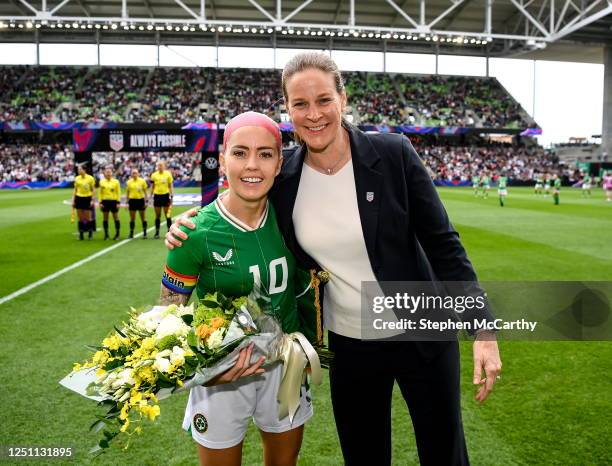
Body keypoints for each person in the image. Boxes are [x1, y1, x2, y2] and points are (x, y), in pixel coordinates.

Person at [166, 52, 502, 466]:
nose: (314, 114)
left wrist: (483, 327)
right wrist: (190, 222)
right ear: (287, 110)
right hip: (351, 345)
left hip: (424, 333)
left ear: (343, 99)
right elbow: (241, 201)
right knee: (363, 456)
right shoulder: (285, 175)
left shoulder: (393, 153)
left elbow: (444, 245)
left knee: (444, 452)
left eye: (324, 100)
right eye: (300, 104)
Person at [159, 112, 315, 466]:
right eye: (240, 153)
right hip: (222, 375)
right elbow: (167, 318)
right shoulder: (192, 234)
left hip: (285, 365)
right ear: (223, 157)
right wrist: (203, 370)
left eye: (265, 154)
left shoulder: (294, 217)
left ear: (279, 163)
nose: (252, 165)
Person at [150, 160, 174, 239]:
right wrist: (150, 195)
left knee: (167, 215)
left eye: (161, 165)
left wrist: (172, 194)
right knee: (157, 215)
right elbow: (152, 186)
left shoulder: (168, 174)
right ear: (157, 166)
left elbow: (170, 185)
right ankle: (157, 233)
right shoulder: (154, 175)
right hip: (157, 196)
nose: (160, 167)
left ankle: (170, 232)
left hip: (165, 196)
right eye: (159, 165)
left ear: (164, 166)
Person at [72, 164, 96, 240]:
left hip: (87, 198)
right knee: (80, 217)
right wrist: (73, 199)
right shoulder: (77, 178)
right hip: (79, 198)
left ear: (84, 170)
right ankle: (81, 234)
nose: (79, 171)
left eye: (80, 169)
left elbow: (93, 190)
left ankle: (90, 234)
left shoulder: (90, 178)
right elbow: (75, 190)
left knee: (88, 217)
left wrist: (92, 199)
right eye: (78, 169)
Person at [99, 165, 121, 240]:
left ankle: (117, 234)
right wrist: (100, 202)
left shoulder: (116, 182)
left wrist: (118, 202)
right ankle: (106, 235)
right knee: (105, 218)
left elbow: (118, 192)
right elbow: (100, 193)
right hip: (105, 202)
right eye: (107, 172)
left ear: (112, 173)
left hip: (114, 201)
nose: (108, 173)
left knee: (116, 217)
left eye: (109, 172)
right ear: (104, 173)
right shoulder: (102, 182)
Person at [126, 168, 149, 239]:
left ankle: (145, 233)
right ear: (131, 174)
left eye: (136, 173)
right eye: (133, 173)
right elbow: (128, 192)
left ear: (138, 174)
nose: (134, 174)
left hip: (140, 200)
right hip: (132, 201)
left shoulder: (142, 181)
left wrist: (146, 200)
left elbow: (145, 191)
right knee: (132, 218)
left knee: (143, 218)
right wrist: (127, 202)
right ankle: (131, 233)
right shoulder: (129, 182)